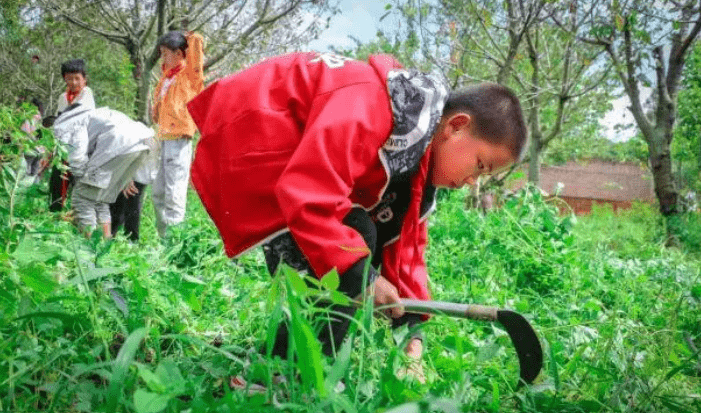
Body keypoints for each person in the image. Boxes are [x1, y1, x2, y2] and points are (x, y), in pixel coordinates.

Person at [187, 52, 527, 382]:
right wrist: (364, 278)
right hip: (253, 132)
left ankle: (296, 362)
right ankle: (286, 373)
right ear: (456, 126)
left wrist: (412, 335)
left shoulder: (415, 155)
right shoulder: (371, 106)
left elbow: (405, 250)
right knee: (351, 239)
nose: (473, 182)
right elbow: (309, 194)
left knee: (362, 236)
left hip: (291, 157)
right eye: (480, 166)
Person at [51, 105, 152, 238]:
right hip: (142, 144)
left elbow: (77, 153)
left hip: (118, 145)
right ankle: (104, 244)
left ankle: (90, 247)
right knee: (101, 201)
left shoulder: (68, 124)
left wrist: (82, 178)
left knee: (82, 198)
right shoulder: (94, 116)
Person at [151, 30, 205, 237]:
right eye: (162, 53)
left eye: (166, 53)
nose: (163, 58)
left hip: (179, 139)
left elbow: (196, 49)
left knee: (174, 191)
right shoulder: (166, 77)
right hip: (163, 137)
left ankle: (174, 241)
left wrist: (189, 36)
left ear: (180, 54)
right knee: (158, 192)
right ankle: (163, 237)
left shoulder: (189, 76)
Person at [49, 59, 96, 212]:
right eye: (69, 78)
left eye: (77, 78)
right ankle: (56, 216)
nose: (73, 82)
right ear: (64, 79)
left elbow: (74, 119)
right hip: (63, 147)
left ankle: (81, 219)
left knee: (79, 185)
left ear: (84, 79)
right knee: (58, 183)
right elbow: (59, 122)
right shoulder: (63, 98)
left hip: (82, 148)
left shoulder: (86, 94)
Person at [109, 136, 159, 242]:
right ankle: (124, 236)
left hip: (138, 159)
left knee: (129, 198)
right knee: (126, 199)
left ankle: (128, 237)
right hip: (137, 159)